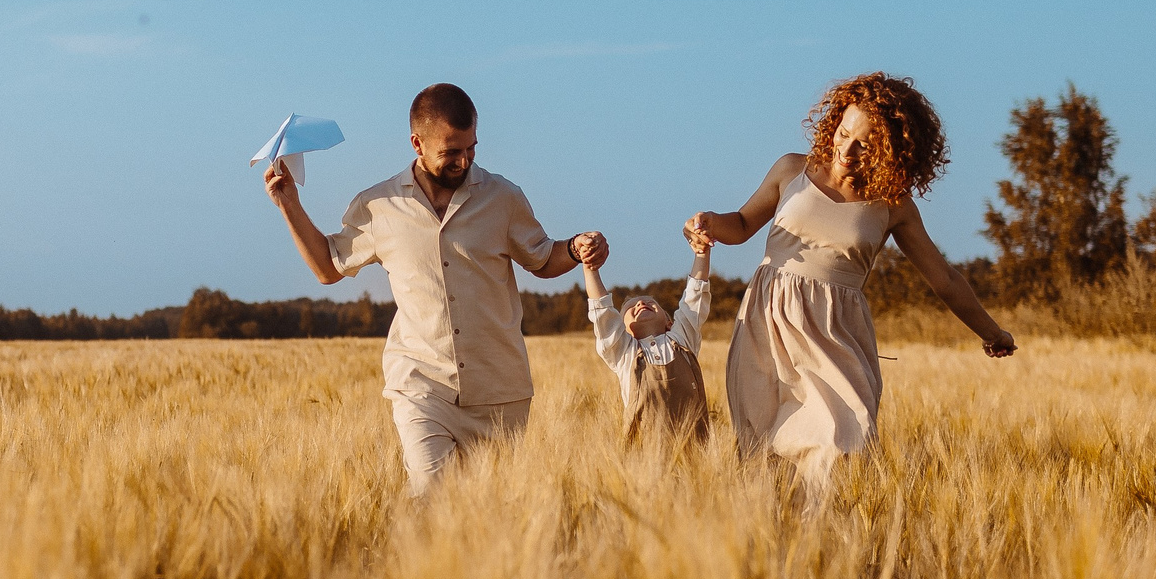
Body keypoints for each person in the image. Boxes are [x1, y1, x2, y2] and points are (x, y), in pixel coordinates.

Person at [266, 82, 604, 495]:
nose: (464, 161)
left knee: (494, 514)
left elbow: (542, 259)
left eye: (471, 148)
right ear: (417, 143)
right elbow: (327, 267)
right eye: (450, 152)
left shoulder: (503, 197)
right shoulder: (378, 206)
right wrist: (289, 204)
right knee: (429, 493)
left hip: (501, 390)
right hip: (422, 387)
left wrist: (574, 248)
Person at [688, 72, 1015, 487]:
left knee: (846, 439)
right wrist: (707, 223)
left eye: (866, 144)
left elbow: (945, 279)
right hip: (767, 324)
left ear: (892, 151)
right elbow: (739, 224)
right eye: (844, 133)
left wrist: (992, 332)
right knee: (763, 454)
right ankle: (779, 546)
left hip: (836, 332)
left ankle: (831, 541)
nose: (847, 149)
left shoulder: (893, 206)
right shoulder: (793, 169)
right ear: (834, 122)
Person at [582, 222, 715, 445]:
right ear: (622, 331)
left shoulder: (682, 339)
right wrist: (590, 269)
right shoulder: (625, 353)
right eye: (631, 308)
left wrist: (702, 253)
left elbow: (695, 297)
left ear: (669, 322)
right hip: (644, 456)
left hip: (694, 448)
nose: (642, 303)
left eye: (650, 303)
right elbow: (602, 313)